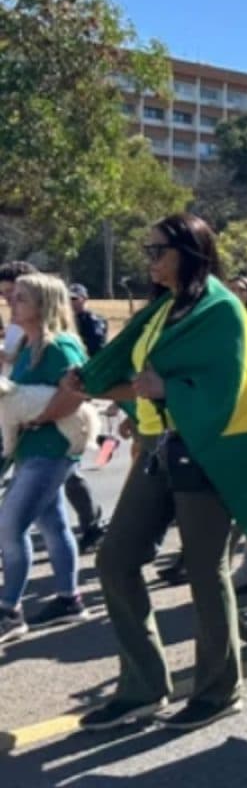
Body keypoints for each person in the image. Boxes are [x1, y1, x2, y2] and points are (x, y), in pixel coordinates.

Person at [79, 213, 247, 732]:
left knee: (205, 569)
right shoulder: (162, 308)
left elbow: (219, 390)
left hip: (212, 448)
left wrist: (162, 389)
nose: (150, 259)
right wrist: (94, 382)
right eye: (147, 249)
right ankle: (143, 687)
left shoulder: (220, 308)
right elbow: (135, 371)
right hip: (163, 444)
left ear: (190, 251)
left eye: (158, 249)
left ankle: (219, 690)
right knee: (115, 559)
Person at [0, 273, 90, 641]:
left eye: (20, 298)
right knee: (52, 524)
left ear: (43, 304)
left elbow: (80, 392)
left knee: (9, 526)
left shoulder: (60, 346)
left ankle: (9, 612)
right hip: (32, 449)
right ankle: (70, 600)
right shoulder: (26, 345)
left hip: (51, 450)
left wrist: (41, 416)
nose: (11, 302)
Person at [65, 283, 108, 550]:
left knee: (68, 467)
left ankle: (92, 522)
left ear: (85, 299)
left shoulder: (91, 322)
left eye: (76, 298)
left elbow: (96, 354)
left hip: (80, 389)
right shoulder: (66, 320)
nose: (72, 302)